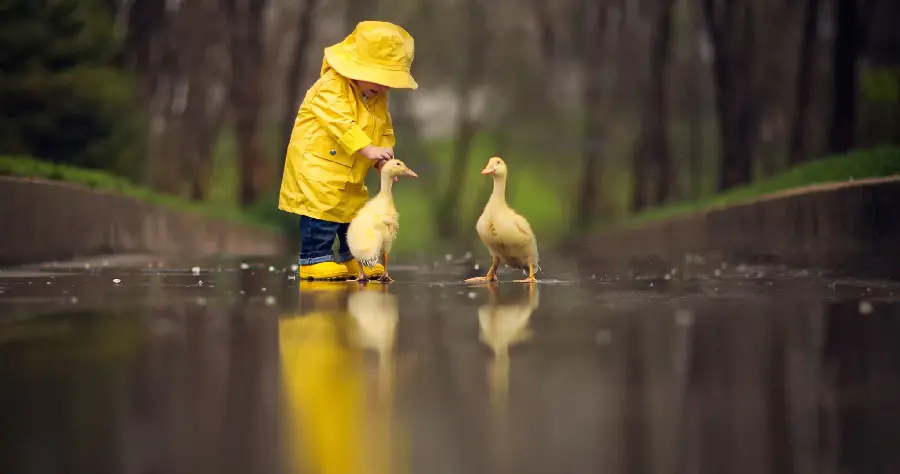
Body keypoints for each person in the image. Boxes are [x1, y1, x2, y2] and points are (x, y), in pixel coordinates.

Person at [278, 21, 417, 280]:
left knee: (354, 214)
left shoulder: (374, 96)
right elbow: (340, 122)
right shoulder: (330, 87)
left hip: (352, 168)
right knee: (321, 211)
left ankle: (356, 258)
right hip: (318, 168)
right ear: (356, 67)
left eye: (390, 82)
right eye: (380, 78)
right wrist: (366, 147)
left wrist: (383, 157)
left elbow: (384, 128)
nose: (384, 88)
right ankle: (314, 258)